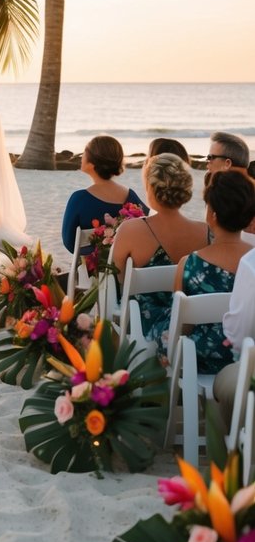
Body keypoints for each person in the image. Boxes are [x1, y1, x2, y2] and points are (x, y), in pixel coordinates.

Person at [112, 151, 209, 346]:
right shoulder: (206, 232)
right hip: (194, 325)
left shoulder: (131, 230)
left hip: (144, 324)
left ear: (151, 188)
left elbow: (120, 278)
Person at [169, 170, 255, 372]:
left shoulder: (189, 264)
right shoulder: (252, 261)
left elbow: (182, 327)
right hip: (247, 361)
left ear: (213, 215)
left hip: (200, 361)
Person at [60, 135, 147, 254]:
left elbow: (69, 243)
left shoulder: (79, 199)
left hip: (91, 270)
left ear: (92, 164)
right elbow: (148, 226)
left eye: (84, 153)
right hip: (126, 267)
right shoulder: (131, 196)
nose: (80, 157)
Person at [212, 245, 255, 425]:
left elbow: (239, 338)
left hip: (249, 375)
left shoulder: (251, 263)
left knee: (231, 386)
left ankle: (234, 448)